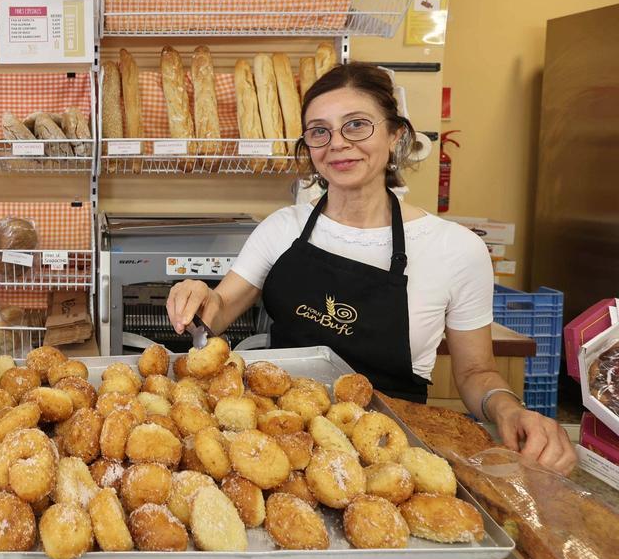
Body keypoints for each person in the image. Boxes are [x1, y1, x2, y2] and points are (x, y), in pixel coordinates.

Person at [166, 63, 575, 475]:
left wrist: (508, 409)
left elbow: (475, 372)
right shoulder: (283, 228)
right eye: (319, 131)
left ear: (396, 134)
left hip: (391, 454)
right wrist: (197, 295)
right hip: (282, 445)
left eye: (356, 125)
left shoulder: (455, 248)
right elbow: (219, 308)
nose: (337, 144)